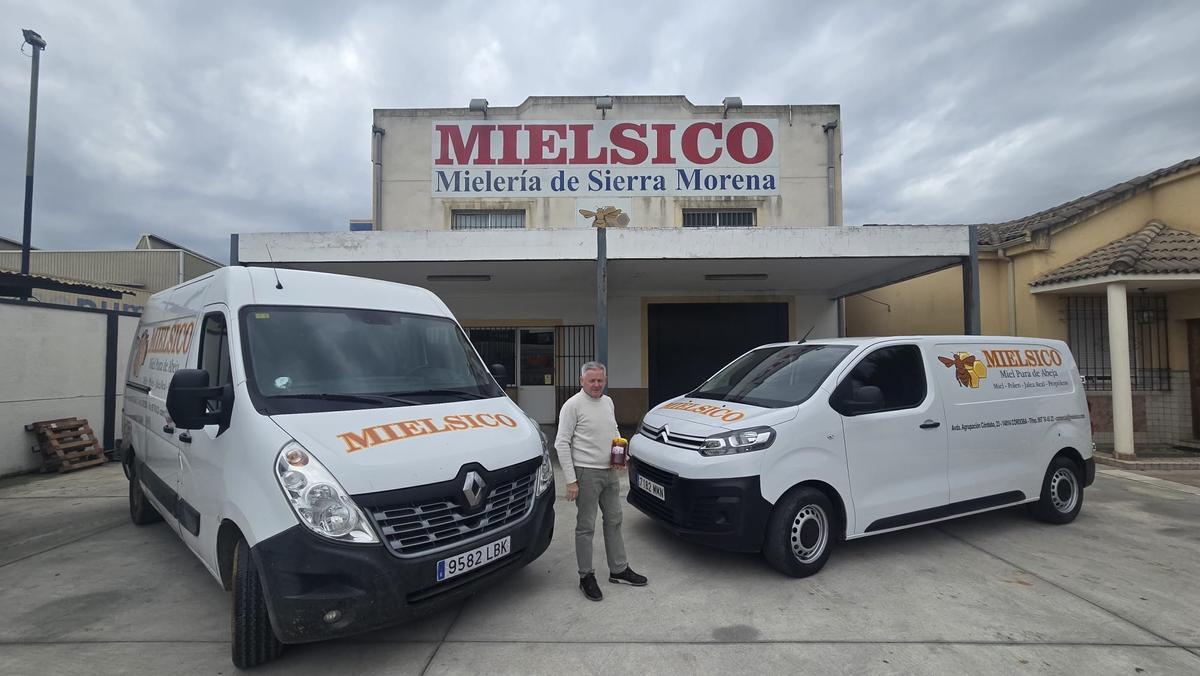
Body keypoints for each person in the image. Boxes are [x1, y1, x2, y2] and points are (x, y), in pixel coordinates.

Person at [554, 361, 648, 601]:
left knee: (614, 520)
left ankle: (618, 569)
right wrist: (571, 481)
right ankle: (586, 576)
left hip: (610, 472)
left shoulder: (608, 402)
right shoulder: (572, 406)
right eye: (591, 380)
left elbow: (614, 430)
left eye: (600, 380)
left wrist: (621, 452)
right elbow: (561, 442)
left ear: (605, 380)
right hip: (586, 473)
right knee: (586, 527)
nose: (596, 385)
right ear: (581, 380)